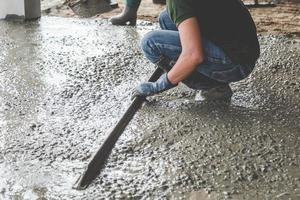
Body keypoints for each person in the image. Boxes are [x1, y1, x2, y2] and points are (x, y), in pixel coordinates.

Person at [133, 0, 260, 101]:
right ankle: (194, 72)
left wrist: (157, 86)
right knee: (166, 18)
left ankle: (212, 87)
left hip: (236, 65)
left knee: (150, 43)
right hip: (244, 49)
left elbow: (193, 55)